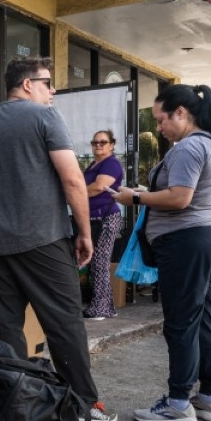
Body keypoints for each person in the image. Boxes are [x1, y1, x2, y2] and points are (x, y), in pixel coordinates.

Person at [0, 57, 117, 421]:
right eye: (48, 84)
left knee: (9, 327)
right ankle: (85, 406)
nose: (53, 91)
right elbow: (74, 180)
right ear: (27, 85)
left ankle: (20, 404)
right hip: (44, 240)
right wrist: (84, 232)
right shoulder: (44, 118)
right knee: (64, 324)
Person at [115, 84, 211, 421]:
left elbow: (180, 198)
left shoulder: (189, 147)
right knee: (205, 318)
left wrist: (135, 198)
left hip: (187, 242)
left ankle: (179, 403)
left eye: (161, 119)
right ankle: (209, 397)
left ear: (181, 112)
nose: (158, 128)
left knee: (181, 323)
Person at [82, 129, 124, 320]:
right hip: (94, 218)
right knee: (97, 262)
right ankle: (105, 306)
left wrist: (75, 194)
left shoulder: (112, 164)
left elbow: (98, 187)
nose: (98, 145)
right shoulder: (93, 165)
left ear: (112, 144)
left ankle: (101, 307)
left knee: (100, 261)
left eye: (103, 142)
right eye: (95, 142)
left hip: (107, 217)